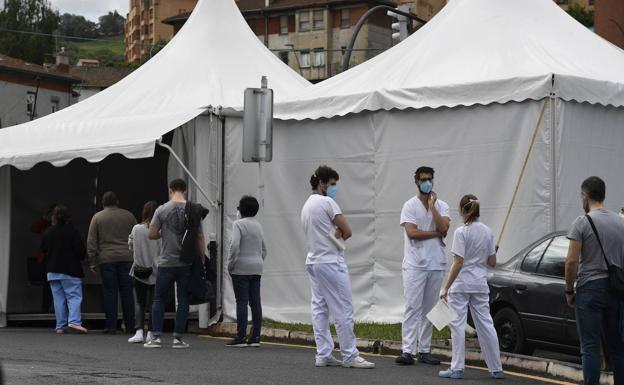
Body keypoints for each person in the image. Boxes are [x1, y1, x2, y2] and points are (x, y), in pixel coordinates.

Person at [301, 165, 375, 369]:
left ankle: (323, 353)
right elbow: (348, 230)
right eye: (332, 184)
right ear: (322, 183)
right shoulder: (327, 202)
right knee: (343, 307)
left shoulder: (307, 205)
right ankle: (350, 355)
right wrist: (340, 233)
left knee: (320, 309)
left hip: (314, 260)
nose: (335, 188)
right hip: (330, 262)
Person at [565, 176, 624, 385]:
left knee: (590, 347)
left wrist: (569, 291)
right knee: (617, 347)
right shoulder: (621, 222)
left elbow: (571, 261)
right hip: (616, 291)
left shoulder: (582, 222)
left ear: (585, 196)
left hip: (589, 289)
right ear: (603, 195)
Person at [438, 195, 504, 379]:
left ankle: (457, 368)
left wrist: (445, 287)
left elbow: (458, 262)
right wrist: (492, 251)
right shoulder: (487, 232)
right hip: (480, 284)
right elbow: (492, 262)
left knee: (457, 326)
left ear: (462, 210)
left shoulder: (461, 232)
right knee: (486, 324)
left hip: (461, 285)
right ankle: (496, 368)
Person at [396, 166, 450, 366]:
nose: (427, 182)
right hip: (415, 265)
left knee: (429, 308)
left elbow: (444, 227)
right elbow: (413, 233)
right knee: (412, 307)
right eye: (423, 179)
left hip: (436, 264)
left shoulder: (442, 206)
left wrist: (433, 206)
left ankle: (425, 350)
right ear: (417, 181)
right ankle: (408, 350)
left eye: (430, 179)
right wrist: (436, 233)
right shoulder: (409, 206)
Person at [145, 179, 203, 349]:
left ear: (170, 190)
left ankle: (156, 337)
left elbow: (151, 234)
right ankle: (177, 338)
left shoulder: (162, 209)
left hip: (166, 261)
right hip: (185, 262)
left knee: (159, 298)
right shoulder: (193, 209)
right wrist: (202, 257)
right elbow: (199, 236)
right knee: (183, 299)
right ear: (185, 191)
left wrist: (164, 234)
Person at [87, 191, 137, 334]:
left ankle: (111, 326)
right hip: (127, 257)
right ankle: (130, 326)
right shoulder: (129, 216)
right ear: (117, 202)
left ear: (103, 203)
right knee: (127, 292)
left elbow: (91, 241)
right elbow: (136, 236)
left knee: (110, 292)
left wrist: (92, 261)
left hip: (107, 258)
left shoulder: (97, 217)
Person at [226, 195, 267, 347]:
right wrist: (258, 260)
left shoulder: (238, 224)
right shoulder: (258, 225)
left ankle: (240, 336)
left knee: (241, 302)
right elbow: (264, 249)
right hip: (256, 267)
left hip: (241, 267)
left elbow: (235, 245)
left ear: (241, 209)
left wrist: (230, 264)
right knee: (255, 302)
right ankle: (255, 336)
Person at [41, 205, 88, 334]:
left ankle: (60, 325)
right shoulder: (73, 231)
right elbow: (80, 252)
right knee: (73, 296)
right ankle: (74, 321)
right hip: (70, 270)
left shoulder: (48, 232)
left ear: (54, 217)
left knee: (58, 298)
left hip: (52, 270)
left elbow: (43, 249)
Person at [127, 201, 161, 344]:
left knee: (139, 303)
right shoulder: (161, 231)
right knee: (155, 303)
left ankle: (139, 331)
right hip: (157, 270)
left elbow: (130, 246)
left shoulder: (136, 228)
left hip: (139, 270)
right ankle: (151, 333)